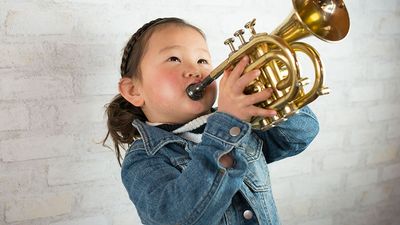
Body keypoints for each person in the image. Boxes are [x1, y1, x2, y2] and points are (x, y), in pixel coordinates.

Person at [103, 17, 319, 225]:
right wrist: (227, 125)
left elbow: (300, 136)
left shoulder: (243, 125)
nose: (195, 70)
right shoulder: (142, 160)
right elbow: (178, 218)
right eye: (174, 59)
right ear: (133, 90)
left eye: (202, 60)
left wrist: (269, 95)